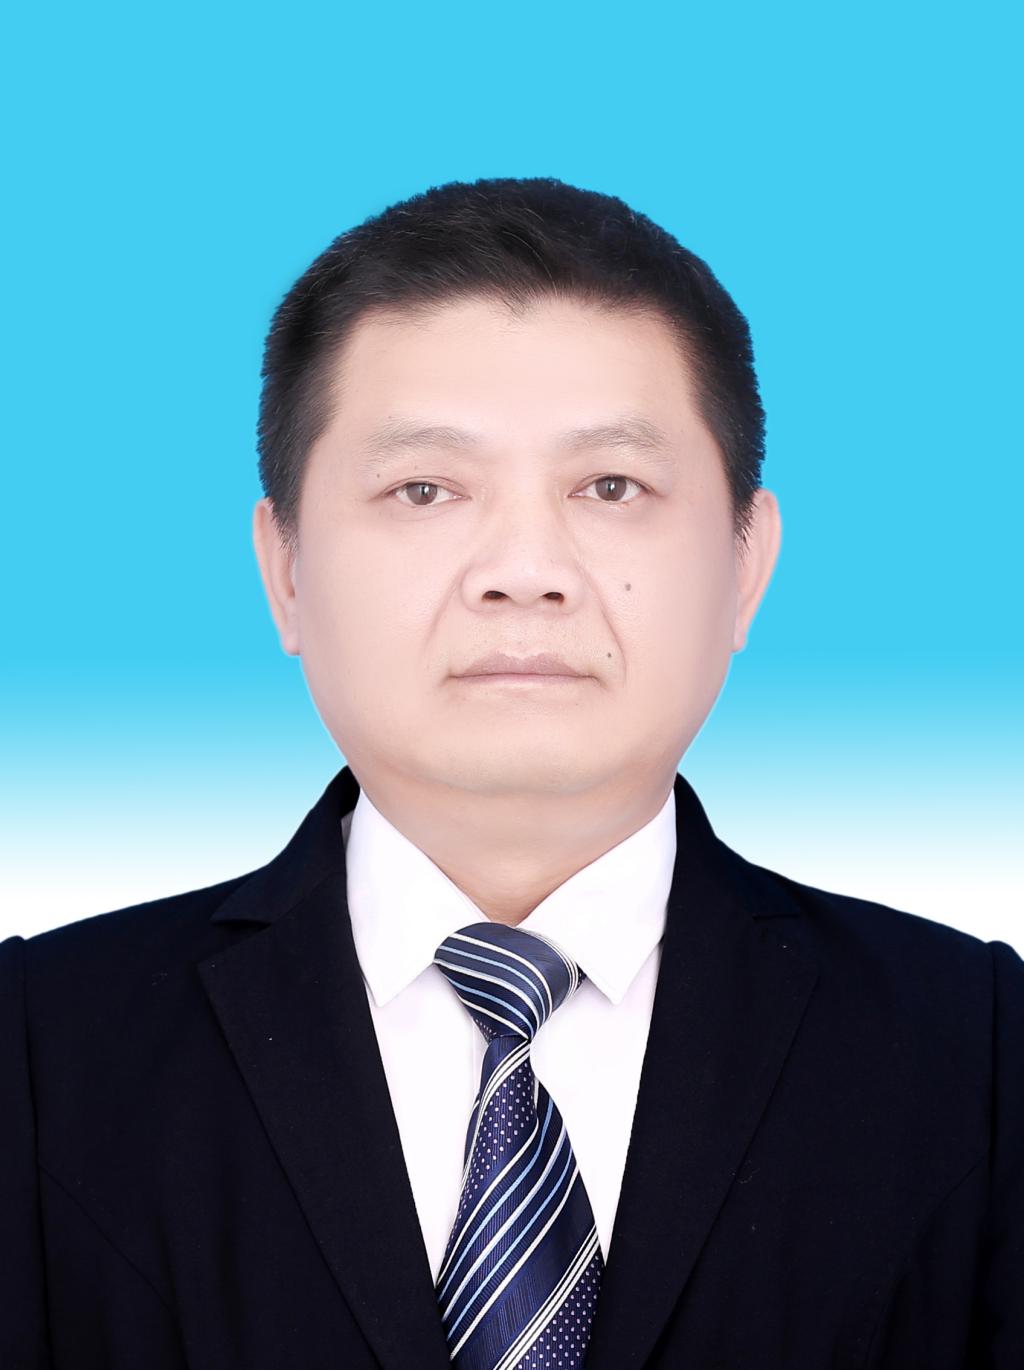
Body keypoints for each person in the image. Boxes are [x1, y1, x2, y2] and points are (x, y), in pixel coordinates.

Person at [1, 176, 1020, 1370]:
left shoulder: (979, 1052)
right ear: (285, 571)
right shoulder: (39, 1052)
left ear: (746, 565)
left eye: (610, 486)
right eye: (424, 489)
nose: (525, 569)